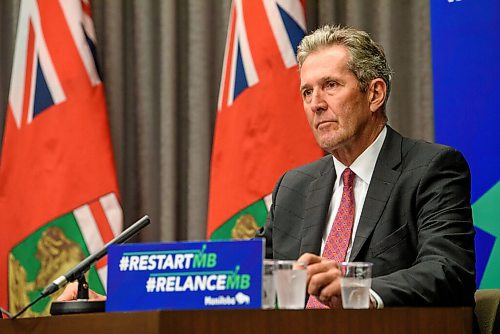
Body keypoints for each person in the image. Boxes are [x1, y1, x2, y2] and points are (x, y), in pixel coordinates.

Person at [256, 25, 476, 309]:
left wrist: (355, 290)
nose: (316, 104)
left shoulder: (432, 170)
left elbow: (448, 271)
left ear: (374, 94)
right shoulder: (293, 186)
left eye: (331, 85)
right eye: (307, 92)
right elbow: (247, 272)